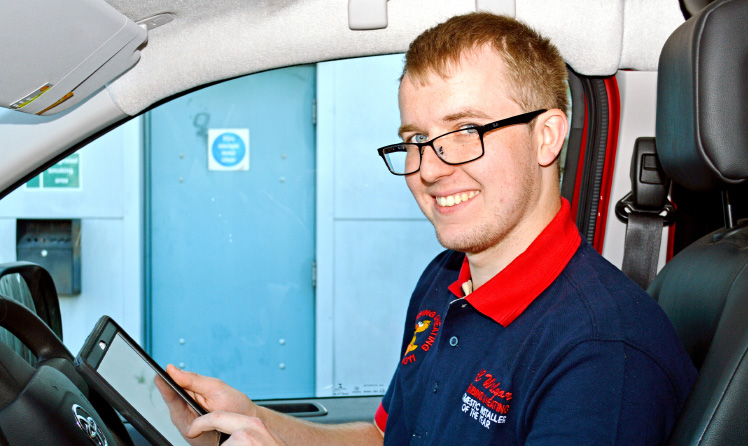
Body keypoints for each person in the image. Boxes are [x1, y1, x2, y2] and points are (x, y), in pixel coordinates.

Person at [158, 12, 697, 445]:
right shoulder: (444, 280)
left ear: (547, 136)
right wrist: (254, 420)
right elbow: (386, 437)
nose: (430, 168)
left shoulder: (604, 353)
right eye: (416, 139)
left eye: (465, 130)